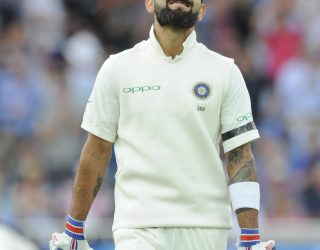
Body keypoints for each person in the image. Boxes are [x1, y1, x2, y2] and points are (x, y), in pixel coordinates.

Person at [50, 0, 276, 249]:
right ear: (148, 4)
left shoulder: (225, 72)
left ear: (202, 11)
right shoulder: (117, 68)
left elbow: (240, 156)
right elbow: (96, 150)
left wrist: (250, 237)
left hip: (205, 227)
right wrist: (74, 228)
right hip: (137, 227)